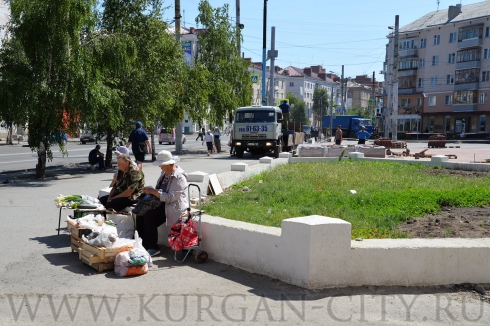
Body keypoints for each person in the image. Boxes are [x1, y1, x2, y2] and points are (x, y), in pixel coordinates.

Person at [136, 150, 188, 256]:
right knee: (140, 213)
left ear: (168, 164)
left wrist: (154, 192)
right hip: (162, 203)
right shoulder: (165, 173)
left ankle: (152, 247)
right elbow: (160, 190)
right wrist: (150, 191)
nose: (160, 167)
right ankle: (142, 243)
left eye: (161, 165)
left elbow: (171, 197)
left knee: (150, 216)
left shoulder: (179, 177)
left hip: (173, 206)